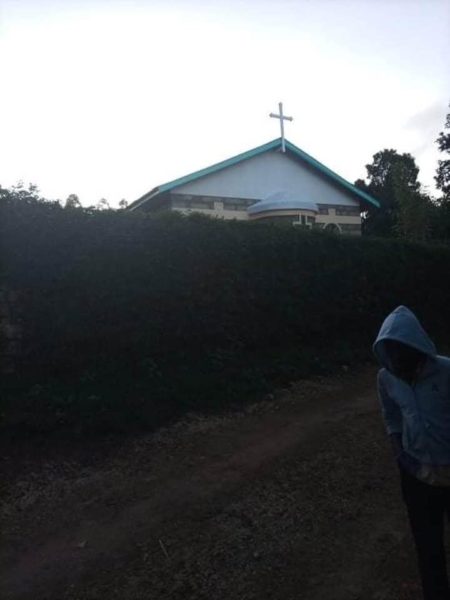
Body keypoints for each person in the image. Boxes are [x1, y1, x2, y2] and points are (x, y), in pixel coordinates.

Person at [374, 305, 450, 600]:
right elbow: (391, 416)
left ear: (416, 348)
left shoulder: (446, 371)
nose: (396, 361)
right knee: (427, 546)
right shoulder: (386, 378)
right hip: (416, 475)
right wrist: (399, 453)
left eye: (400, 353)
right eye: (389, 354)